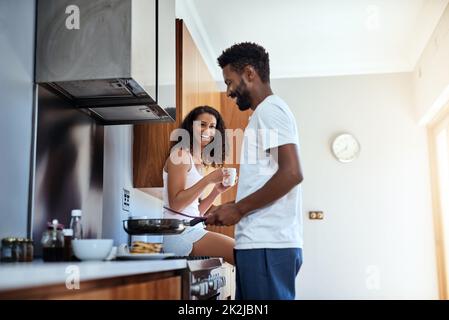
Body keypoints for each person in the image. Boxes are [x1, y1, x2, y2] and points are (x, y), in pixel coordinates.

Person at [206, 42, 304, 299]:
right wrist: (230, 205)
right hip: (261, 246)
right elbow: (269, 177)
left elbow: (292, 173)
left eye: (229, 82)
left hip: (267, 245)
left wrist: (238, 209)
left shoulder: (270, 110)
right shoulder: (263, 114)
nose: (228, 92)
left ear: (249, 73)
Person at [162, 106, 235, 264]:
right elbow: (176, 205)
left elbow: (193, 214)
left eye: (212, 127)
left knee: (242, 254)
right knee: (240, 252)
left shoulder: (197, 163)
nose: (207, 130)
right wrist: (208, 180)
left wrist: (216, 191)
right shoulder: (180, 155)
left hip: (191, 228)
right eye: (202, 124)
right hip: (178, 234)